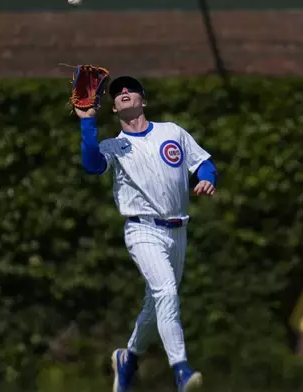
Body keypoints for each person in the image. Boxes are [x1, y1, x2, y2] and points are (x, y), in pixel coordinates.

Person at [75, 75, 217, 392]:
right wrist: (87, 123)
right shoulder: (114, 146)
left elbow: (204, 163)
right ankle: (181, 370)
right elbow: (92, 165)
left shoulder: (172, 132)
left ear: (144, 100)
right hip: (142, 228)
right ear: (113, 108)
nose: (124, 92)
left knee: (155, 306)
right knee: (167, 292)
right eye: (117, 92)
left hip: (178, 230)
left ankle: (128, 359)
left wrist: (208, 179)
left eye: (131, 89)